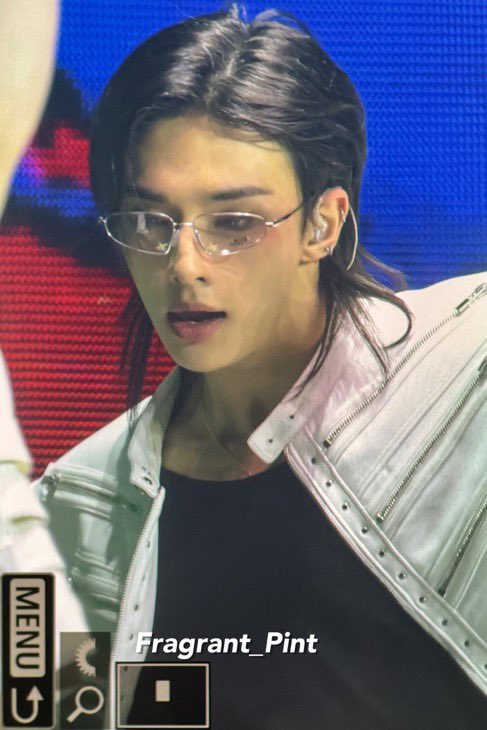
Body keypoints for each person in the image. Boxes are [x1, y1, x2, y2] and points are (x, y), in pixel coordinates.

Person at [3, 3, 486, 728]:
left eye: (234, 222)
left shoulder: (467, 370)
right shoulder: (76, 505)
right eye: (150, 221)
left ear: (324, 222)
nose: (184, 264)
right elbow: (36, 709)